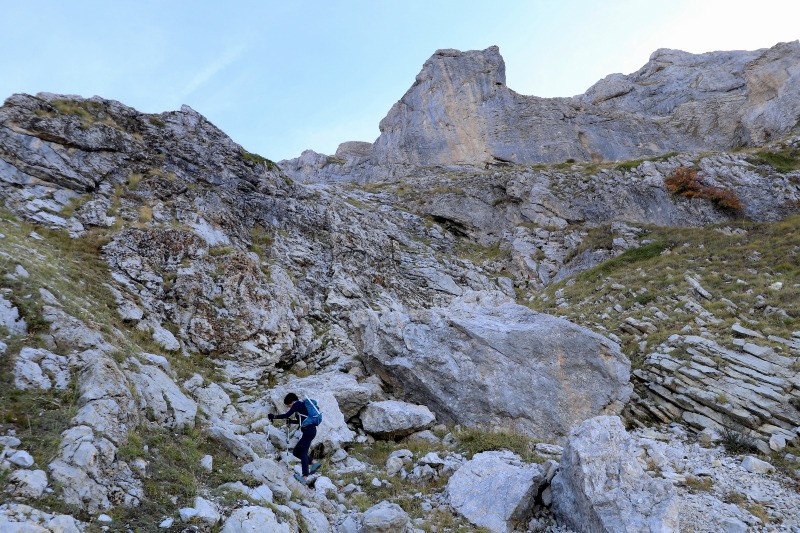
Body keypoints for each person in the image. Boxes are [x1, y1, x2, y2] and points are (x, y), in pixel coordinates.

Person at [268, 393, 321, 484]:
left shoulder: (297, 404)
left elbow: (286, 415)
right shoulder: (301, 406)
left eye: (288, 405)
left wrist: (274, 416)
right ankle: (314, 462)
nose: (289, 407)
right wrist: (291, 421)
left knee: (303, 453)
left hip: (309, 431)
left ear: (290, 402)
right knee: (296, 452)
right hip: (309, 431)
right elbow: (301, 421)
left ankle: (304, 477)